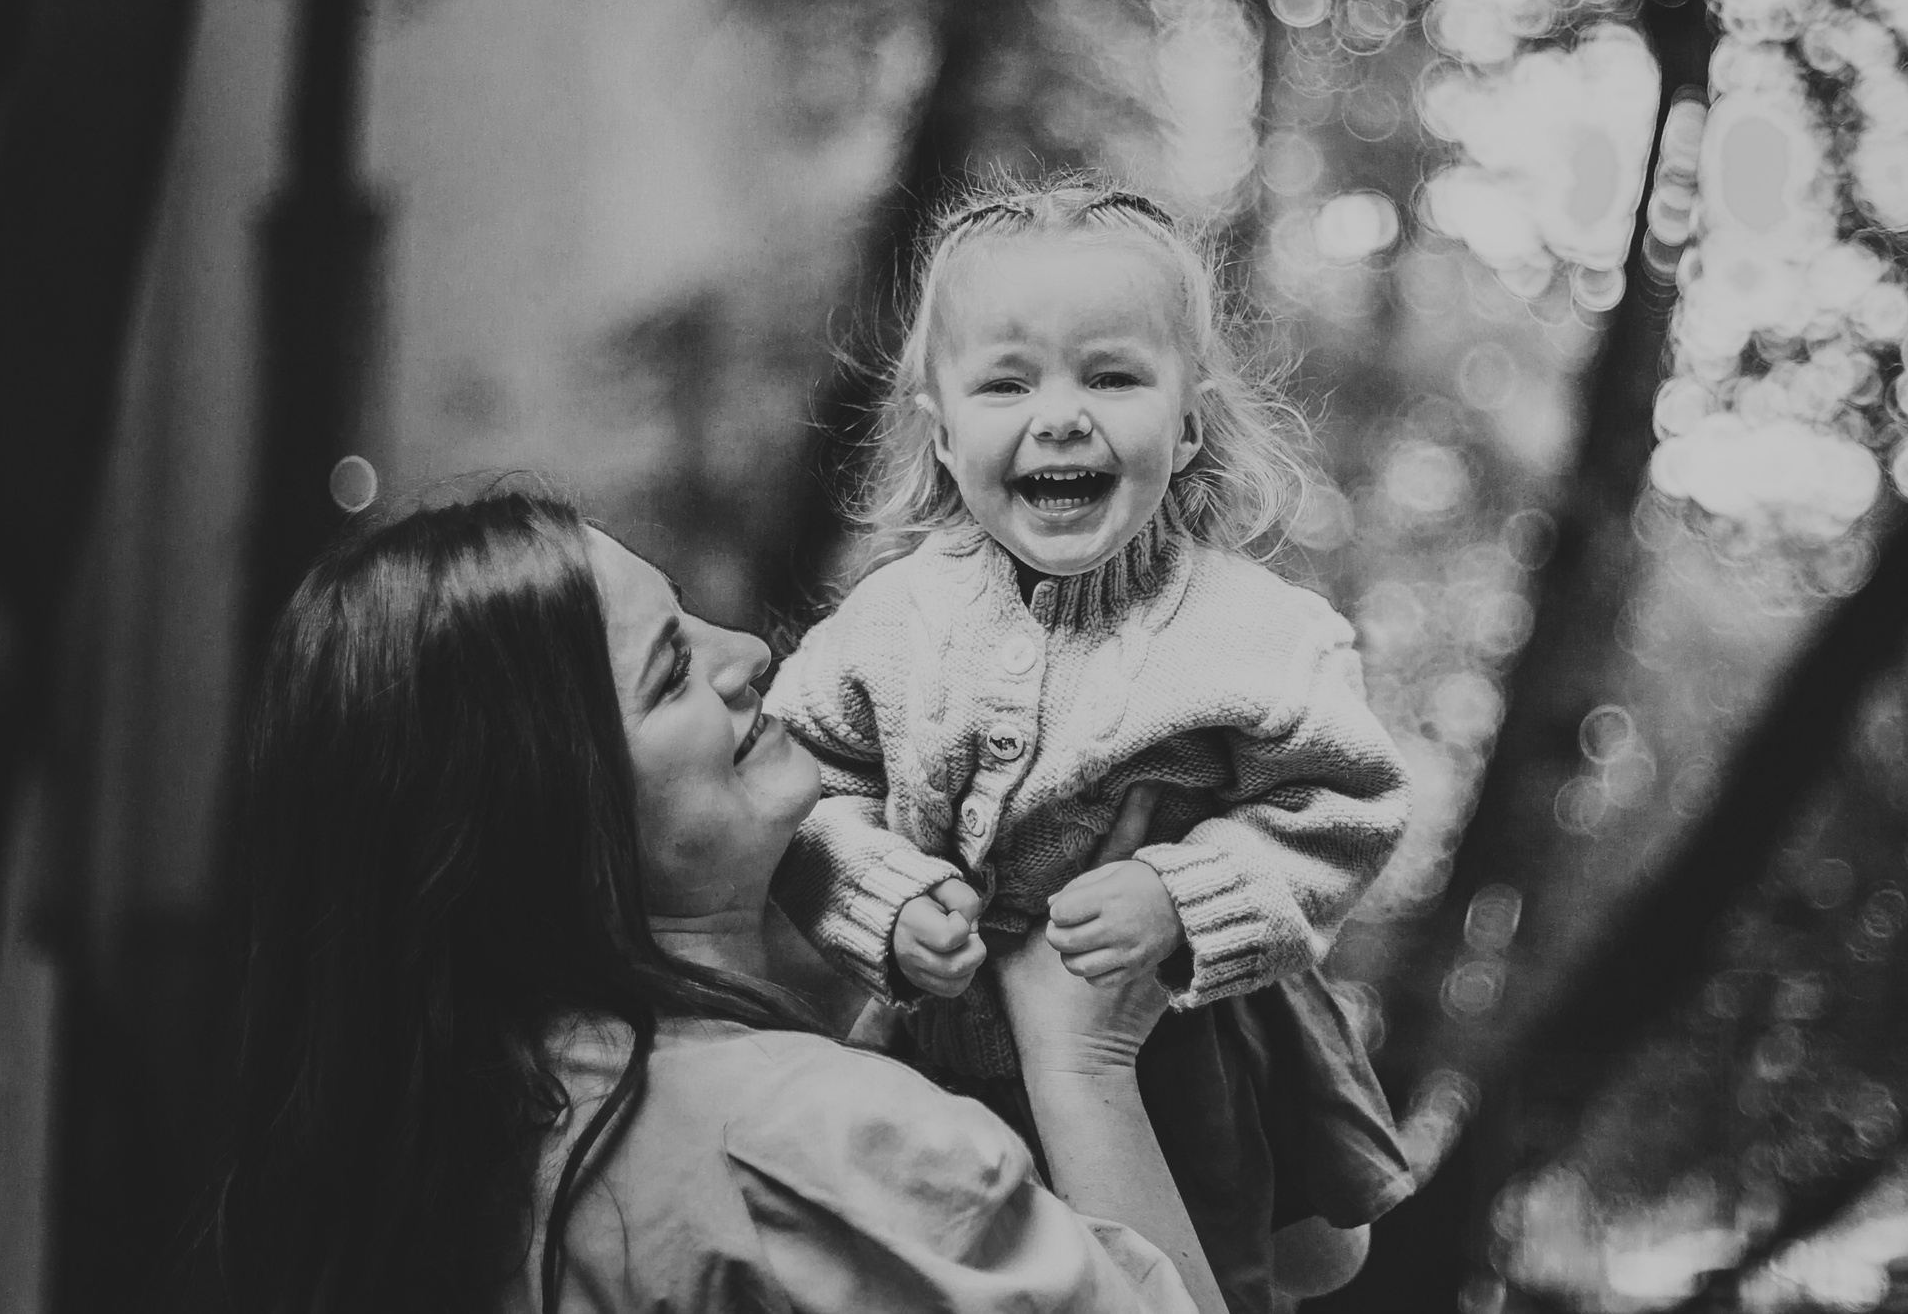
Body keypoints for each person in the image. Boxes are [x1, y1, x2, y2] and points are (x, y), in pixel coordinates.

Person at [217, 490, 1226, 1314]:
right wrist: (1082, 1060)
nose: (744, 651)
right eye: (669, 674)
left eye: (689, 613)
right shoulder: (812, 1146)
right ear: (545, 814)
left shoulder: (447, 1152)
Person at [764, 176, 1415, 1311]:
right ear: (943, 428)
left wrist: (1182, 897)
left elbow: (1339, 807)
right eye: (1007, 382)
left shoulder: (1256, 633)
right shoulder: (887, 622)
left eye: (1111, 377)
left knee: (1187, 1281)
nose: (1060, 414)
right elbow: (803, 783)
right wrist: (881, 899)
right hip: (941, 1042)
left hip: (1184, 1047)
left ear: (1189, 418)